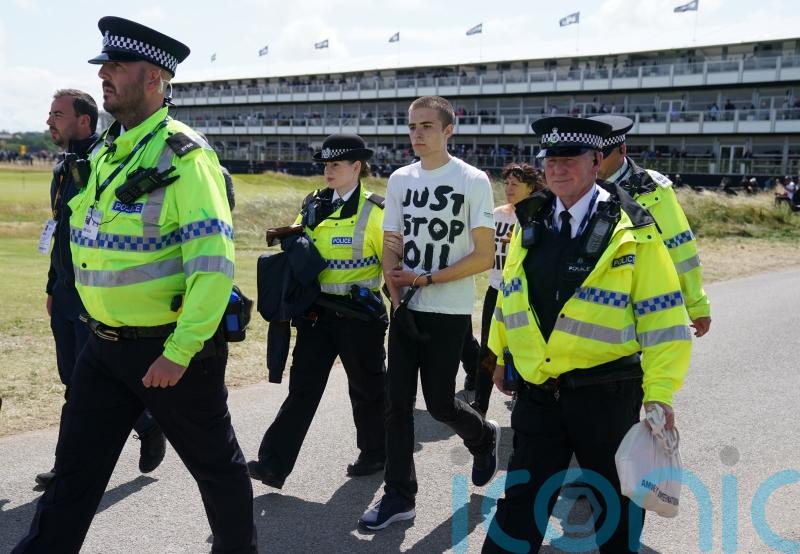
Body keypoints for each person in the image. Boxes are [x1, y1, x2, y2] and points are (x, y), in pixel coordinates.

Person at [14, 17, 255, 553]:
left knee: (217, 471)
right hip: (100, 344)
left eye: (117, 67)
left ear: (153, 79)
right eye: (104, 66)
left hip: (168, 352)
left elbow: (213, 265)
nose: (105, 75)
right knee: (73, 476)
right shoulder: (106, 152)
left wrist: (180, 351)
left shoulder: (186, 157)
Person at [481, 116, 692, 553]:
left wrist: (660, 391)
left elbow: (662, 316)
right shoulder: (531, 218)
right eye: (550, 160)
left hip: (607, 394)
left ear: (597, 161)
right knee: (519, 506)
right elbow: (511, 293)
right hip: (539, 391)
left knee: (615, 512)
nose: (557, 169)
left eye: (570, 159)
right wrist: (499, 355)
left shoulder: (634, 227)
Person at [359, 95, 499, 530]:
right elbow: (392, 242)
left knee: (440, 404)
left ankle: (483, 435)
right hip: (406, 308)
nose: (417, 134)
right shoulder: (401, 179)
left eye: (427, 126)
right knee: (396, 406)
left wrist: (426, 280)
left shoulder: (473, 180)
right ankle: (399, 496)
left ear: (448, 131)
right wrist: (397, 296)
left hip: (448, 310)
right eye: (412, 126)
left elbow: (483, 256)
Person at [36, 90, 166, 488]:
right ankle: (147, 423)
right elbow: (62, 232)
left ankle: (68, 470)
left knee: (85, 385)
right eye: (50, 113)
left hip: (95, 294)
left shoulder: (105, 162)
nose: (49, 121)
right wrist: (53, 285)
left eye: (58, 114)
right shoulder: (65, 167)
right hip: (66, 292)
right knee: (72, 379)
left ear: (84, 121)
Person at [248, 134, 387, 488]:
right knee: (302, 391)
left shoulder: (375, 211)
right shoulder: (312, 203)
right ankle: (273, 465)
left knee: (367, 390)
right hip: (317, 315)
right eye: (325, 164)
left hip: (359, 317)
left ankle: (375, 453)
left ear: (356, 167)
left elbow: (392, 266)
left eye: (336, 164)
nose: (328, 170)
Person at [590, 115, 711, 337]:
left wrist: (696, 304)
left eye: (601, 155)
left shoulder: (654, 189)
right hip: (593, 307)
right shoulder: (575, 188)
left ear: (622, 149)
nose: (594, 162)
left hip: (644, 302)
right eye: (589, 155)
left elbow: (680, 248)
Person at [471, 163, 545, 416]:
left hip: (523, 294)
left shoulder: (537, 216)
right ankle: (480, 403)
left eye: (516, 183)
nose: (509, 188)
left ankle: (522, 396)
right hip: (495, 290)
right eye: (507, 183)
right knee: (488, 348)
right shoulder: (496, 215)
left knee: (521, 346)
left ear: (531, 187)